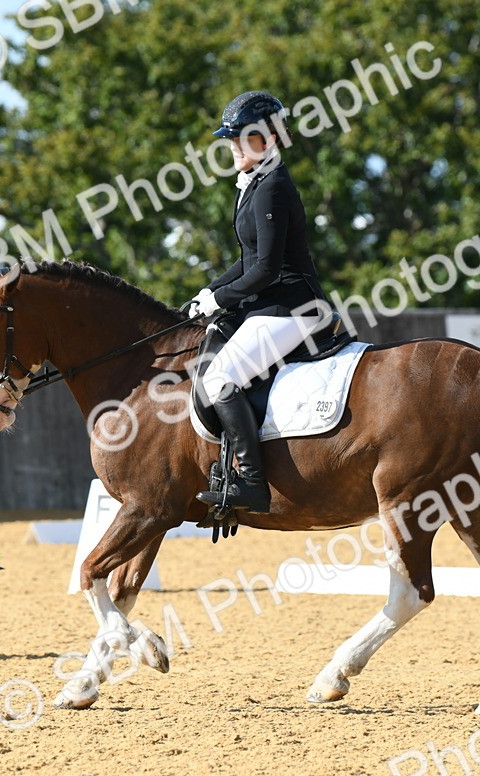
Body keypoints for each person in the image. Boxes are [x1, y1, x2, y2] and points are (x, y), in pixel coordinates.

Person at [187, 90, 329, 514]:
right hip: (270, 304)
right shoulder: (254, 184)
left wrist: (221, 300)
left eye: (239, 139)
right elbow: (245, 259)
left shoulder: (272, 189)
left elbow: (265, 270)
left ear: (265, 141)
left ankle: (251, 482)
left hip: (294, 305)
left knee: (218, 380)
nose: (231, 147)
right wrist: (209, 292)